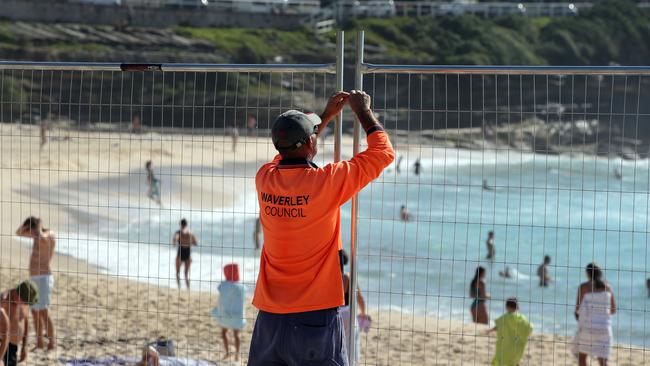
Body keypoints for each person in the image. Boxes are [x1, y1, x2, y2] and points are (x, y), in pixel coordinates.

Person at [248, 90, 394, 366]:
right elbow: (383, 153)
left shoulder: (264, 178)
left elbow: (289, 151)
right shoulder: (326, 183)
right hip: (314, 313)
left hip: (270, 313)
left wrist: (323, 118)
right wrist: (362, 110)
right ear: (312, 141)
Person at [15, 217, 56, 350]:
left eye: (31, 230)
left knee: (43, 311)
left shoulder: (49, 234)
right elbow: (18, 233)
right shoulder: (35, 236)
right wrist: (26, 226)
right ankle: (39, 343)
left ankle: (52, 343)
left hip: (44, 277)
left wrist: (38, 227)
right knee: (34, 311)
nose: (30, 234)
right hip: (34, 278)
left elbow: (42, 238)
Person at [574, 263, 617, 366]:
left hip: (588, 327)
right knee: (603, 360)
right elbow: (613, 310)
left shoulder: (583, 287)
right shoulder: (608, 287)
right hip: (604, 328)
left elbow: (578, 309)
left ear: (587, 273)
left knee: (582, 357)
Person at [212, 263, 246, 361]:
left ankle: (227, 352)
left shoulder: (224, 285)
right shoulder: (241, 287)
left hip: (225, 315)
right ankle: (237, 354)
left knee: (224, 332)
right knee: (237, 335)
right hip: (237, 316)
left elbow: (220, 292)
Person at [1, 280, 39, 366]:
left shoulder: (23, 303)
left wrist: (24, 346)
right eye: (25, 301)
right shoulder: (4, 301)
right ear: (18, 295)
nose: (26, 304)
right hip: (2, 344)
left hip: (13, 347)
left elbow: (25, 322)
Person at [339, 250, 368, 363]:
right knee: (351, 345)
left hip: (336, 314)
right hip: (349, 313)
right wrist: (363, 312)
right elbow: (360, 298)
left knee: (339, 346)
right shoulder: (349, 278)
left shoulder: (331, 278)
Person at [486, 298, 533, 366]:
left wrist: (490, 330)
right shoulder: (521, 318)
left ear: (507, 307)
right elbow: (529, 328)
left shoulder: (505, 318)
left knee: (500, 360)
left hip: (505, 345)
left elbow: (498, 326)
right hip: (517, 345)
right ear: (517, 306)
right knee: (514, 361)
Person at [171, 219, 198, 289]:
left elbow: (175, 240)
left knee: (177, 272)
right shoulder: (190, 233)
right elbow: (196, 243)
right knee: (186, 273)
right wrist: (188, 243)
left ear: (180, 225)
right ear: (186, 224)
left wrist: (175, 243)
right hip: (188, 253)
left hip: (180, 253)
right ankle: (188, 288)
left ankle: (179, 287)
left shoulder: (178, 232)